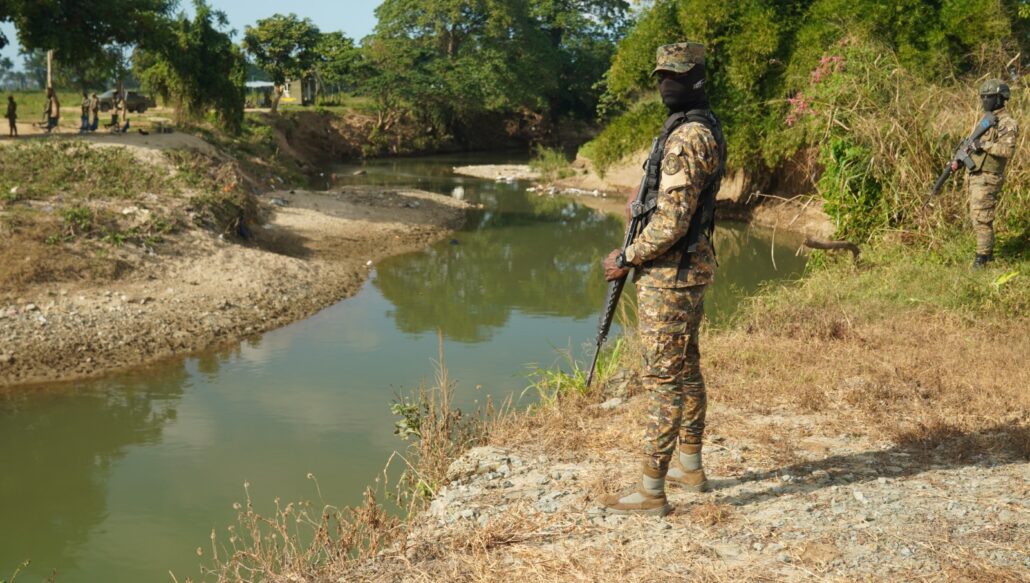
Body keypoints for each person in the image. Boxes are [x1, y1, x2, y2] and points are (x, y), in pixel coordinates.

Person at [599, 41, 727, 516]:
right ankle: (689, 466)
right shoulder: (696, 126)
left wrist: (626, 257)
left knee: (663, 380)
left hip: (670, 274)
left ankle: (653, 489)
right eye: (661, 76)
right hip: (688, 269)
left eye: (676, 75)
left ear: (697, 78)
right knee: (686, 367)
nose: (666, 84)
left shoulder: (688, 135)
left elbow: (672, 222)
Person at [956, 79, 1018, 268]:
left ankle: (982, 258)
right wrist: (960, 157)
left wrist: (982, 145)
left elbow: (1007, 151)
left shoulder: (1007, 122)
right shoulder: (985, 120)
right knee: (976, 216)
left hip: (989, 176)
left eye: (989, 97)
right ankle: (985, 254)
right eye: (982, 97)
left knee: (982, 217)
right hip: (976, 174)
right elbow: (973, 145)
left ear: (1001, 98)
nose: (984, 100)